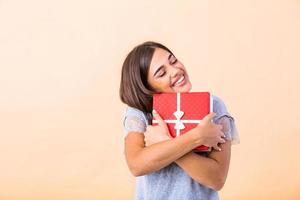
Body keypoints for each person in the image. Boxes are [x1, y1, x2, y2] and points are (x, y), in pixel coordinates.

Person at [119, 41, 240, 200]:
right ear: (147, 87)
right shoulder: (140, 113)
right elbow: (136, 165)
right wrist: (196, 137)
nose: (175, 70)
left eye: (173, 60)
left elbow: (217, 179)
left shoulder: (214, 106)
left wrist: (164, 141)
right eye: (161, 73)